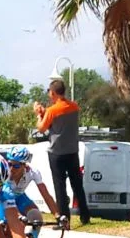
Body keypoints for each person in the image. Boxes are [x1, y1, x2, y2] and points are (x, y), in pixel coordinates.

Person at [34, 79, 89, 226]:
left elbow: (41, 128)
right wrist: (45, 112)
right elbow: (60, 117)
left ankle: (64, 219)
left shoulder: (52, 110)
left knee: (60, 186)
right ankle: (85, 215)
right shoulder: (74, 106)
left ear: (53, 92)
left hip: (57, 152)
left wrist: (39, 114)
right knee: (77, 184)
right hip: (72, 150)